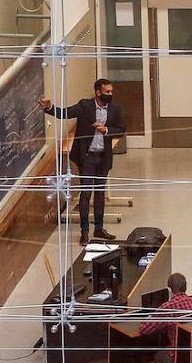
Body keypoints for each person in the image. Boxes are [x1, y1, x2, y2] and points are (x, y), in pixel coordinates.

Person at [39, 78, 126, 246]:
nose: (110, 94)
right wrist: (50, 107)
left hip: (103, 157)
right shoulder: (85, 106)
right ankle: (84, 232)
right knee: (85, 194)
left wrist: (106, 130)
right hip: (87, 158)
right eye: (107, 91)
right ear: (98, 92)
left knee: (100, 194)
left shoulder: (115, 109)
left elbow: (121, 130)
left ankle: (99, 228)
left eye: (111, 91)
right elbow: (65, 113)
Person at [139, 273, 192, 363]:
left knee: (158, 356)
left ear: (169, 289)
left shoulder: (168, 308)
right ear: (185, 287)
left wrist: (149, 317)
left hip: (179, 357)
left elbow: (144, 329)